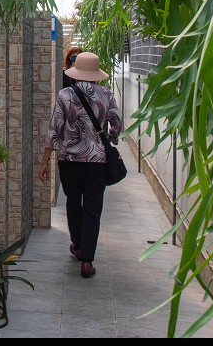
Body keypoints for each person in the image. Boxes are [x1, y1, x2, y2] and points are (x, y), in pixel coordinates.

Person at [38, 51, 123, 278]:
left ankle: (77, 244)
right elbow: (117, 123)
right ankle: (87, 260)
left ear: (76, 71)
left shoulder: (65, 95)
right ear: (96, 73)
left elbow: (54, 129)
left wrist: (45, 160)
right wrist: (110, 137)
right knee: (93, 209)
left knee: (73, 203)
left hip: (69, 161)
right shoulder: (106, 94)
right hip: (97, 161)